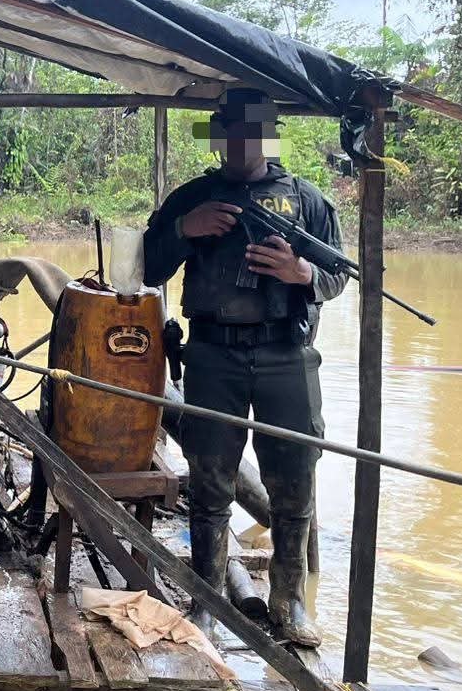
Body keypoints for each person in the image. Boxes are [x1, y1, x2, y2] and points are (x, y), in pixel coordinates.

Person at [141, 88, 345, 647]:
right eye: (227, 131)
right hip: (212, 352)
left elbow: (336, 276)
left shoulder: (308, 202)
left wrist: (298, 272)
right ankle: (205, 604)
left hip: (288, 354)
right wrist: (185, 229)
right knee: (208, 485)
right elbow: (146, 267)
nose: (237, 142)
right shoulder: (194, 197)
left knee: (295, 483)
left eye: (249, 132)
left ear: (266, 134)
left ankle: (290, 605)